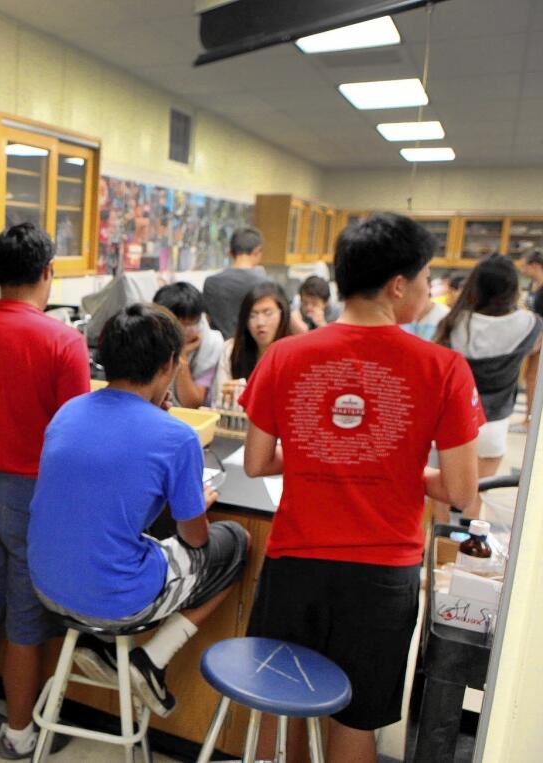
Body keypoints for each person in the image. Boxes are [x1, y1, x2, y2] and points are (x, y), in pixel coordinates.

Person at [240, 213, 482, 763]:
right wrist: (401, 470)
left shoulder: (283, 355)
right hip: (382, 574)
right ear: (398, 284)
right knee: (358, 715)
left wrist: (316, 456)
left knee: (284, 707)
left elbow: (256, 463)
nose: (427, 290)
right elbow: (463, 490)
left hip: (297, 562)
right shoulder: (443, 368)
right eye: (425, 278)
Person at [28, 304, 248, 719]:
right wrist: (195, 505)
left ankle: (100, 644)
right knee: (235, 542)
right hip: (117, 603)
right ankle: (150, 660)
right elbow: (195, 539)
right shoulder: (176, 437)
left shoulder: (68, 411)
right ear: (169, 363)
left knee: (120, 541)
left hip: (47, 587)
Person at [0, 222, 90, 758]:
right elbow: (76, 431)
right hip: (34, 494)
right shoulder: (62, 338)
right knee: (27, 617)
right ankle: (21, 734)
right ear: (47, 273)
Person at [434, 254, 543, 476]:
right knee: (477, 490)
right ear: (512, 289)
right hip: (495, 423)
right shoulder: (530, 323)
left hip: (454, 420)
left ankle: (443, 513)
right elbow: (533, 348)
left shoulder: (454, 322)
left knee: (445, 488)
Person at [214, 282, 293, 407]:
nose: (260, 322)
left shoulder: (294, 353)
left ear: (282, 313)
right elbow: (218, 401)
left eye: (268, 313)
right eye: (252, 315)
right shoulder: (231, 350)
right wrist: (227, 397)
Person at [153, 282, 225, 407]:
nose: (187, 330)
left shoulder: (212, 342)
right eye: (180, 323)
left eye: (192, 322)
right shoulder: (150, 335)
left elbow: (192, 403)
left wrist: (181, 356)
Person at [203, 226, 270, 337]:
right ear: (258, 250)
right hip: (250, 350)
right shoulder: (266, 285)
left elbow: (207, 320)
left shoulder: (211, 283)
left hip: (220, 349)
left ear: (231, 252)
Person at [517, 251, 543, 432]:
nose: (522, 269)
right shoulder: (533, 284)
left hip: (541, 339)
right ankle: (529, 418)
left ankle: (531, 421)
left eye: (524, 265)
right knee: (530, 378)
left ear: (535, 265)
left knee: (535, 378)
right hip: (535, 336)